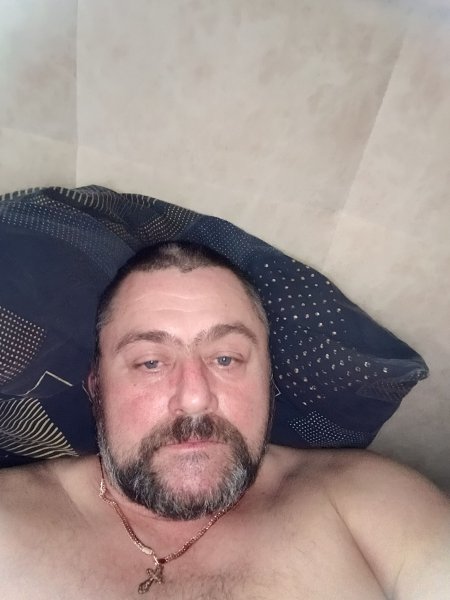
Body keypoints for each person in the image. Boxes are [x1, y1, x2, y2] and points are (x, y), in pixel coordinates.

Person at [0, 241, 448, 600]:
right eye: (151, 362)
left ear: (268, 380)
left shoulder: (369, 500)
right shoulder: (12, 522)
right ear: (96, 387)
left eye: (226, 358)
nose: (195, 397)